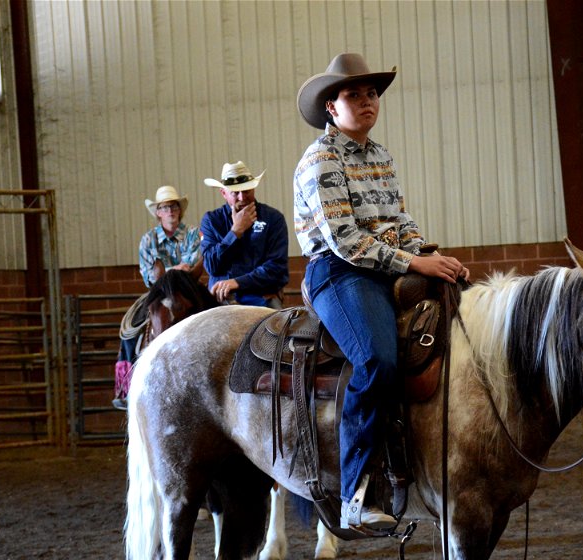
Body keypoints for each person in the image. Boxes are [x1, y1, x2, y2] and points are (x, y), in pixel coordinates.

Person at [294, 53, 470, 531]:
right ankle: (354, 492)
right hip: (339, 272)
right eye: (354, 95)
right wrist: (415, 262)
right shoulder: (322, 159)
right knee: (377, 359)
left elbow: (399, 223)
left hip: (384, 267)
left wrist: (431, 255)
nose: (367, 102)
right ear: (331, 107)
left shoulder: (380, 156)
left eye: (372, 94)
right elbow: (346, 240)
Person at [113, 185, 203, 410]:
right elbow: (148, 275)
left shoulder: (193, 234)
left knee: (215, 312)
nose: (170, 210)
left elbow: (192, 266)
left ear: (179, 210)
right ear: (158, 213)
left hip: (187, 289)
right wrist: (175, 270)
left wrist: (168, 271)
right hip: (158, 292)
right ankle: (124, 386)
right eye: (164, 207)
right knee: (130, 327)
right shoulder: (148, 240)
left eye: (173, 206)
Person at [200, 161, 289, 307]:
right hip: (221, 300)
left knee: (281, 327)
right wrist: (236, 231)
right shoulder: (211, 220)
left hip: (262, 297)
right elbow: (211, 265)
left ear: (253, 188)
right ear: (224, 193)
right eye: (235, 193)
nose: (242, 197)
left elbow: (277, 269)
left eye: (246, 191)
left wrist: (237, 282)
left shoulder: (273, 218)